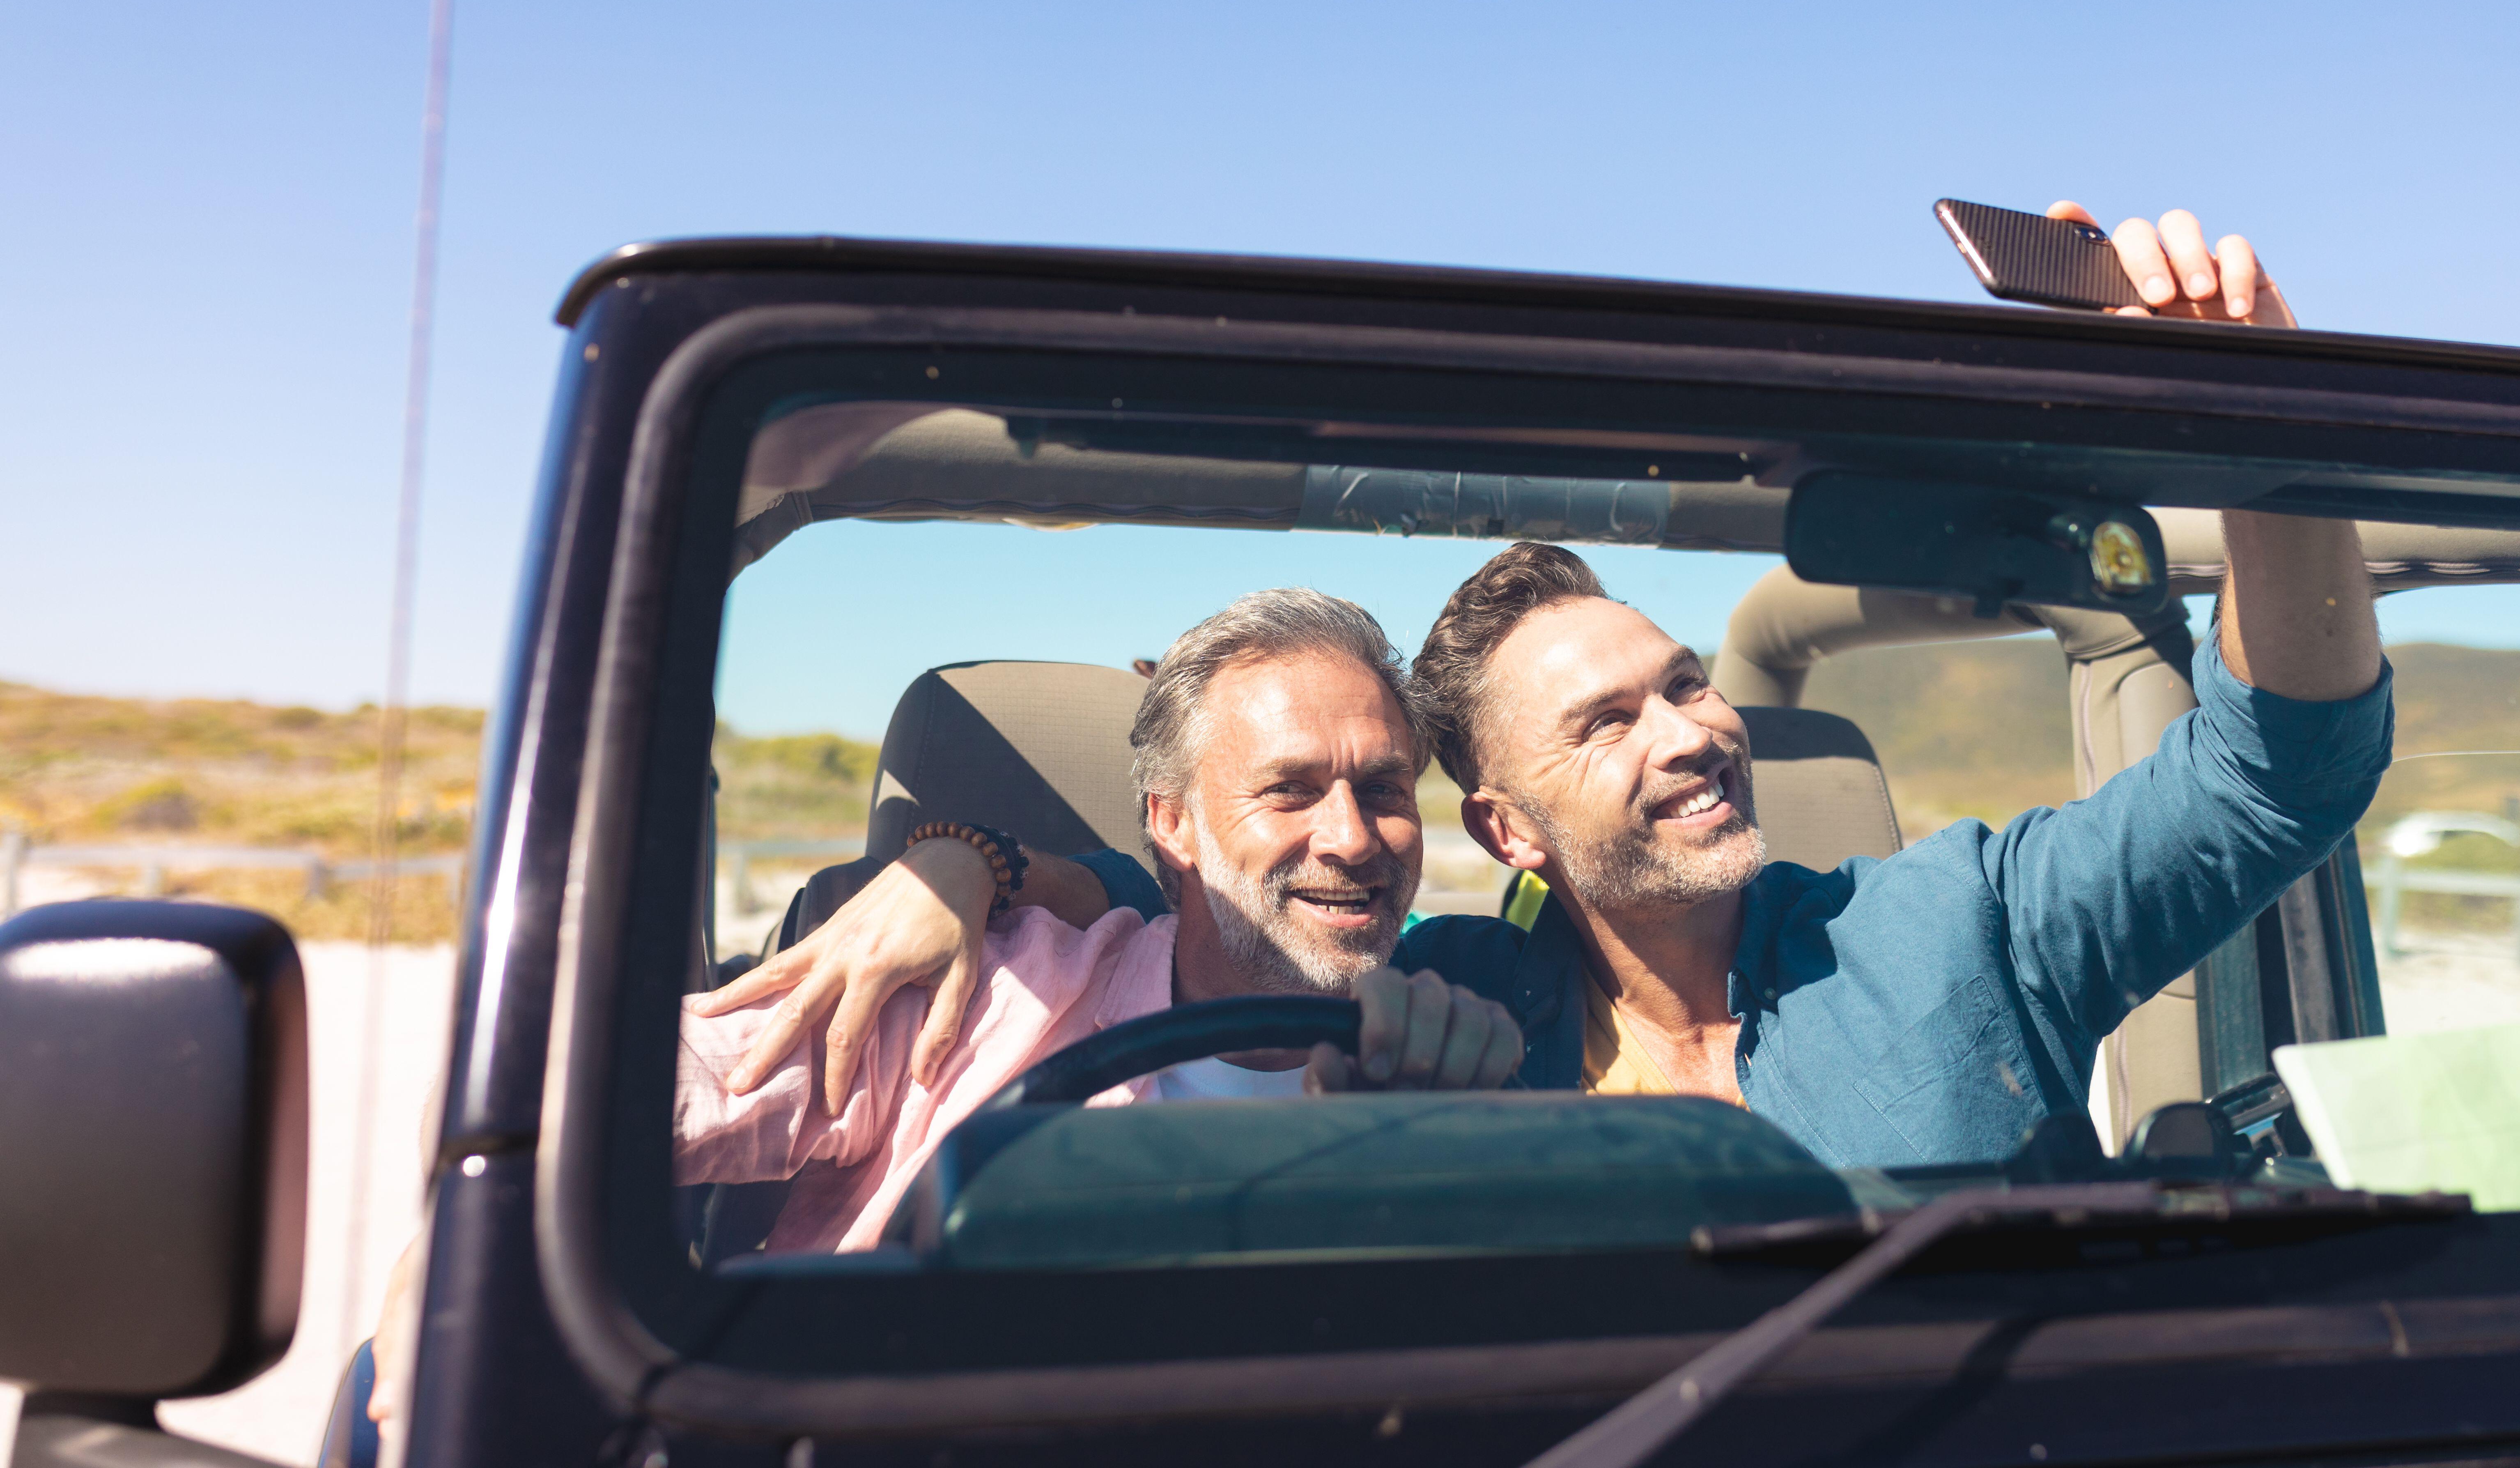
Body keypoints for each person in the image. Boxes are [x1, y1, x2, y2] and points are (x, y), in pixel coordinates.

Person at [712, 201, 2392, 1169]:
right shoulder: (1434, 1003)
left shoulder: (1966, 922)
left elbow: (2278, 775)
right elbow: (1199, 933)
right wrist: (964, 862)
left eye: (1680, 683)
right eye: (1610, 720)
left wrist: (2273, 429)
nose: (1694, 730)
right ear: (1504, 825)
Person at [366, 590, 1521, 1439]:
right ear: (1171, 824)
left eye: (1384, 789)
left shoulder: (1463, 1043)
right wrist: (464, 1255)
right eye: (1290, 788)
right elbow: (535, 1100)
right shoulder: (983, 996)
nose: (1355, 838)